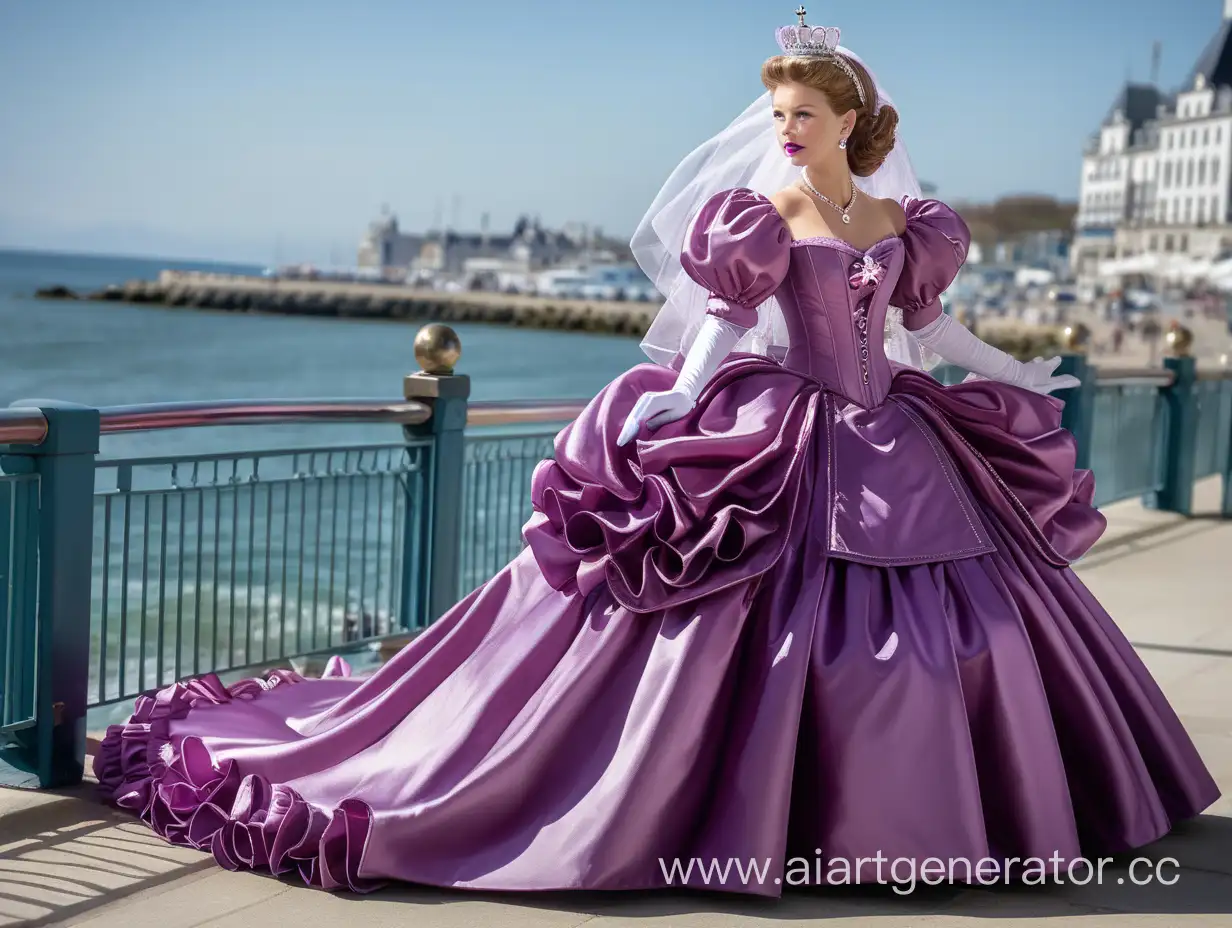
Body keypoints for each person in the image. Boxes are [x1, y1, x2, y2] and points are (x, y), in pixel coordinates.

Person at [94, 11, 1219, 896]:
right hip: (786, 427)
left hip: (897, 431)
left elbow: (929, 332)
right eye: (777, 108)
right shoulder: (760, 215)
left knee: (965, 610)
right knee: (712, 615)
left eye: (802, 113)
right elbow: (723, 328)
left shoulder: (903, 226)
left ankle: (914, 815)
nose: (783, 125)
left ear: (848, 121)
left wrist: (1013, 373)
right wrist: (669, 404)